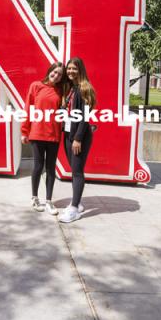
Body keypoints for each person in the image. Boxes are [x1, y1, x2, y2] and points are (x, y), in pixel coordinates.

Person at [21, 62, 64, 215]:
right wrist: (24, 131)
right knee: (38, 166)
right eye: (54, 72)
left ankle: (49, 201)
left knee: (51, 168)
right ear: (50, 71)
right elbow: (28, 108)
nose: (56, 75)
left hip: (53, 135)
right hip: (37, 133)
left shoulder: (60, 91)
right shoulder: (36, 86)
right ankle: (34, 198)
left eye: (59, 74)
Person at [59, 57, 96, 223]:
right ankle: (78, 203)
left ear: (80, 70)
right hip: (68, 133)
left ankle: (74, 209)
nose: (70, 71)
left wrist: (78, 139)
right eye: (68, 69)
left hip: (78, 136)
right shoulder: (71, 88)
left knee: (77, 171)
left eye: (74, 68)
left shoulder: (83, 88)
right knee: (74, 169)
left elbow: (85, 116)